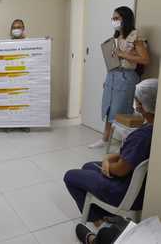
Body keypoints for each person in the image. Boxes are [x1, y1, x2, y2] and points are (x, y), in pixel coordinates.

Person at [64, 78, 158, 228]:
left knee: (70, 176)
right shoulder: (154, 129)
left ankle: (97, 219)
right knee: (88, 165)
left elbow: (121, 170)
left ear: (142, 105)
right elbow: (128, 155)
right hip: (141, 191)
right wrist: (108, 158)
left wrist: (107, 164)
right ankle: (103, 212)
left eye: (136, 100)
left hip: (123, 193)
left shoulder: (142, 136)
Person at [89, 6, 150, 148]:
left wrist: (123, 54)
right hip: (113, 75)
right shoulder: (117, 37)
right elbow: (114, 60)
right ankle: (105, 139)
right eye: (113, 18)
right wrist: (107, 78)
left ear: (125, 19)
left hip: (127, 77)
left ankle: (125, 144)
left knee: (121, 109)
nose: (113, 21)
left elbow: (145, 59)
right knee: (109, 107)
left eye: (116, 18)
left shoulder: (135, 36)